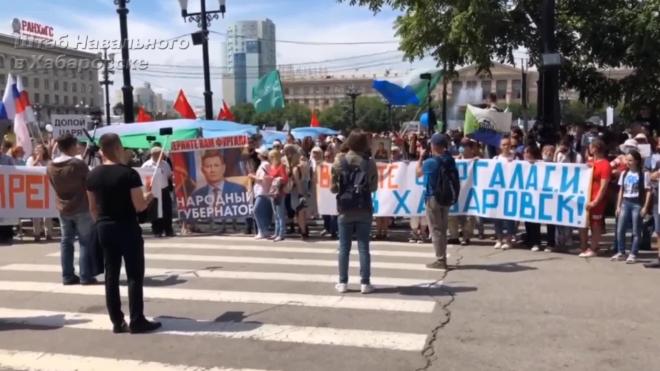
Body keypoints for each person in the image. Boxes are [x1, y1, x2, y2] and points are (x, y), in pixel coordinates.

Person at [86, 133, 161, 334]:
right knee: (134, 274)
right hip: (127, 227)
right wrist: (148, 197)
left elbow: (92, 208)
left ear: (102, 150)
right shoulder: (129, 174)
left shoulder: (92, 175)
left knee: (111, 274)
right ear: (118, 147)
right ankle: (137, 319)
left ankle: (117, 321)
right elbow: (138, 206)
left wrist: (101, 223)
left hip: (104, 227)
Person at [331, 130, 378, 294]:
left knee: (344, 247)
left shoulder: (339, 161)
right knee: (364, 247)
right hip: (364, 207)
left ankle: (343, 282)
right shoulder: (369, 162)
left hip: (345, 208)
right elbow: (373, 187)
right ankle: (365, 282)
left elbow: (333, 188)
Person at [46, 134, 96, 285]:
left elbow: (54, 187)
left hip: (63, 207)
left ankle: (67, 275)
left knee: (66, 242)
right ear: (71, 146)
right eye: (76, 145)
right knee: (85, 242)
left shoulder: (50, 166)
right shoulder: (77, 164)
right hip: (81, 206)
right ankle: (85, 275)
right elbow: (89, 183)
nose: (78, 148)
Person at [417, 133, 459, 270]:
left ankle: (440, 259)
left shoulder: (430, 162)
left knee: (435, 229)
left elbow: (418, 173)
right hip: (446, 197)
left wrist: (421, 157)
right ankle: (443, 256)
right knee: (442, 228)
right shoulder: (449, 160)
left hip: (433, 197)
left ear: (433, 145)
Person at [612, 150, 651, 264]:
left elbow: (648, 191)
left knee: (636, 230)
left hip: (637, 203)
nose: (628, 162)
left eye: (630, 160)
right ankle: (621, 251)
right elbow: (621, 190)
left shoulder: (643, 174)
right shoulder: (624, 173)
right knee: (620, 229)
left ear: (636, 161)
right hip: (625, 201)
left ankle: (633, 253)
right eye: (627, 160)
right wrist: (618, 206)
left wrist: (645, 207)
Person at [580, 139, 612, 258]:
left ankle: (593, 248)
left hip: (597, 200)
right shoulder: (589, 163)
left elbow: (603, 187)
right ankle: (583, 246)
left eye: (590, 147)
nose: (588, 149)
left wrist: (596, 201)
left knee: (595, 224)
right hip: (585, 198)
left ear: (595, 148)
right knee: (583, 223)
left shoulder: (605, 165)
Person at [448, 139, 478, 246]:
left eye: (464, 146)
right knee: (452, 214)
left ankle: (466, 236)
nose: (461, 148)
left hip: (470, 192)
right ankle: (454, 236)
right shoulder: (456, 160)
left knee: (470, 215)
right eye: (461, 146)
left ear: (470, 148)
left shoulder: (477, 161)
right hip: (457, 191)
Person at [141, 146, 174, 238]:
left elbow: (169, 176)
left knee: (167, 211)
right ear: (154, 155)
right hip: (153, 191)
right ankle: (157, 230)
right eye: (161, 153)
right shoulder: (146, 165)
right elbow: (143, 180)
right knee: (155, 212)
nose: (163, 155)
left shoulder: (165, 164)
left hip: (164, 190)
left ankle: (168, 230)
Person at [492, 136, 517, 250]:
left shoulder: (516, 158)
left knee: (509, 217)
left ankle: (508, 239)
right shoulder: (496, 159)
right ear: (500, 146)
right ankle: (499, 238)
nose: (506, 147)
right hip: (498, 192)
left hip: (511, 192)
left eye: (508, 144)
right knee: (497, 216)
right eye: (504, 145)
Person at [27, 144, 55, 241]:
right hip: (34, 188)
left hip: (47, 188)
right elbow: (27, 170)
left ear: (44, 150)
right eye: (36, 148)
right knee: (36, 213)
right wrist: (36, 160)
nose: (37, 150)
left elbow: (51, 171)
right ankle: (37, 233)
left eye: (40, 148)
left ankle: (49, 233)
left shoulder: (49, 161)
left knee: (47, 212)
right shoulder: (31, 159)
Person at [250, 147, 273, 239]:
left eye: (258, 153)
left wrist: (252, 176)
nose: (257, 154)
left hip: (262, 191)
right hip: (262, 191)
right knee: (262, 212)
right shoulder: (264, 164)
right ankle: (264, 230)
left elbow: (262, 179)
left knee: (256, 210)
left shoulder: (265, 165)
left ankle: (262, 231)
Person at [268, 149, 289, 242]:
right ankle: (276, 233)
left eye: (272, 157)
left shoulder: (281, 166)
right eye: (270, 157)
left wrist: (278, 179)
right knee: (275, 214)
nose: (271, 158)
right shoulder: (272, 166)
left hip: (279, 192)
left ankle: (281, 233)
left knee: (280, 214)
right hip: (273, 192)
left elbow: (285, 179)